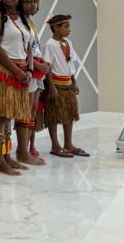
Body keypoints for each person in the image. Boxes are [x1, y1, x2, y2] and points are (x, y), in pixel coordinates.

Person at [0, 0, 42, 176]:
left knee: (10, 115)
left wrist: (28, 69)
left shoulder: (22, 19)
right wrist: (16, 71)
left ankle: (8, 155)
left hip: (21, 70)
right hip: (4, 69)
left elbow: (28, 46)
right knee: (1, 116)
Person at [42, 15, 88, 158]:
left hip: (68, 83)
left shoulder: (68, 43)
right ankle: (55, 145)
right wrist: (51, 87)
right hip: (56, 83)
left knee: (69, 113)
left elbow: (70, 63)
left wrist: (74, 82)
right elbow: (47, 67)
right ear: (56, 28)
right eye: (66, 27)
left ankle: (68, 143)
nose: (69, 30)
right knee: (54, 115)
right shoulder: (50, 44)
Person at [22, 0, 49, 159]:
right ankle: (23, 148)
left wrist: (42, 63)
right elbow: (23, 49)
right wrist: (37, 65)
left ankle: (31, 145)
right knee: (26, 111)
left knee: (34, 112)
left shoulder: (31, 23)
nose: (33, 5)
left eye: (35, 2)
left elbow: (35, 47)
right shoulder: (19, 23)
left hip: (38, 70)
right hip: (30, 70)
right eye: (29, 1)